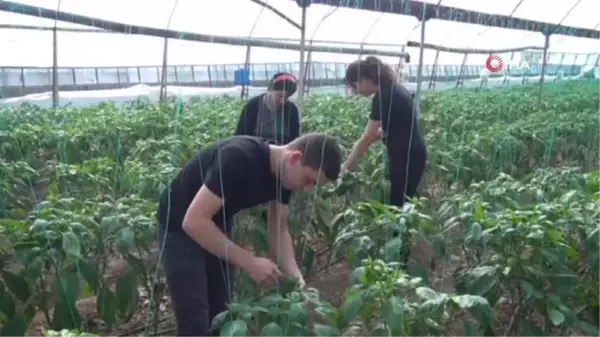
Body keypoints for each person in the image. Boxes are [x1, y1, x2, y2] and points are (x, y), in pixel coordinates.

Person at [157, 133, 341, 337]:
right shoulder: (238, 157)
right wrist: (249, 261)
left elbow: (278, 230)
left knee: (223, 316)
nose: (307, 189)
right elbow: (193, 222)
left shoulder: (286, 177)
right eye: (309, 180)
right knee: (195, 323)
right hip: (180, 224)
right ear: (295, 158)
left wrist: (299, 283)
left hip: (217, 221)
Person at [341, 56, 430, 268]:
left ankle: (399, 261)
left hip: (405, 156)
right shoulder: (394, 90)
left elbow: (368, 136)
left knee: (398, 206)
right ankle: (403, 254)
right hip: (411, 153)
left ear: (364, 79)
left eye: (355, 85)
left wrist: (346, 167)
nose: (355, 90)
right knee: (404, 203)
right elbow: (388, 128)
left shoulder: (383, 96)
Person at [234, 72, 300, 145]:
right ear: (270, 90)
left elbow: (294, 140)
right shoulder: (253, 106)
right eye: (280, 96)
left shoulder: (292, 110)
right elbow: (240, 137)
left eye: (287, 97)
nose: (283, 101)